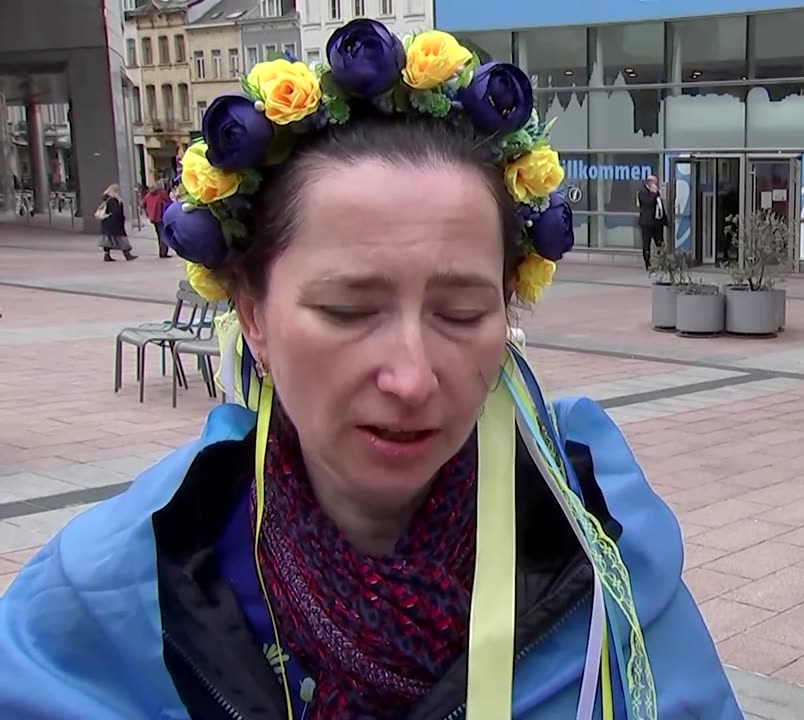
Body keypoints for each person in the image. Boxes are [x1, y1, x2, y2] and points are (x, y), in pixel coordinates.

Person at [0, 21, 739, 720]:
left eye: (460, 313)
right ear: (252, 315)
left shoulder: (611, 561)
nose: (413, 380)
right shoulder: (105, 601)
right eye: (350, 312)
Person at [97, 183, 135, 262]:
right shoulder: (114, 200)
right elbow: (117, 212)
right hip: (115, 223)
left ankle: (107, 255)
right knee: (121, 239)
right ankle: (127, 254)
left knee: (108, 239)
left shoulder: (106, 199)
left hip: (106, 222)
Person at [636, 174, 667, 270]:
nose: (656, 185)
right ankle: (647, 263)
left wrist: (665, 220)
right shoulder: (642, 192)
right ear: (649, 183)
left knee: (660, 243)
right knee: (647, 243)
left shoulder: (656, 193)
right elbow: (648, 204)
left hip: (657, 223)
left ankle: (662, 262)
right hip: (647, 223)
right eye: (655, 183)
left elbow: (660, 207)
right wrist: (654, 193)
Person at [142, 183, 173, 258]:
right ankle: (163, 253)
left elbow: (143, 205)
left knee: (159, 234)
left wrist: (148, 213)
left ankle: (161, 251)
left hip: (153, 218)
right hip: (161, 216)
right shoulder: (161, 194)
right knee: (163, 234)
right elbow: (169, 202)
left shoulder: (148, 195)